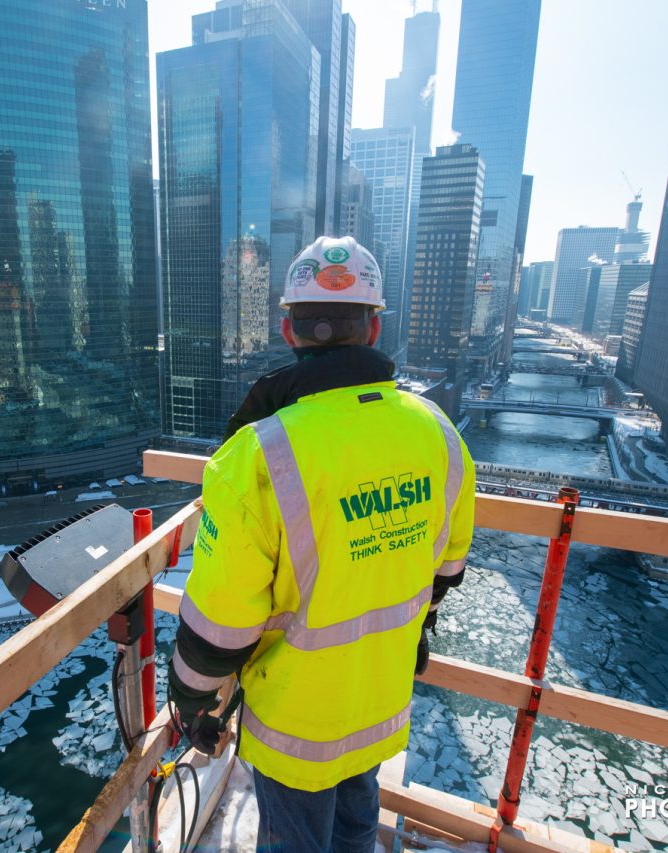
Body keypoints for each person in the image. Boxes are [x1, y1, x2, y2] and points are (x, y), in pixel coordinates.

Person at [167, 236, 475, 852]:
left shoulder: (259, 454)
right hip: (379, 694)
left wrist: (189, 695)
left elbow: (222, 623)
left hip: (297, 720)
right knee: (358, 831)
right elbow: (445, 571)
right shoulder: (438, 434)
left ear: (287, 330)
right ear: (375, 326)